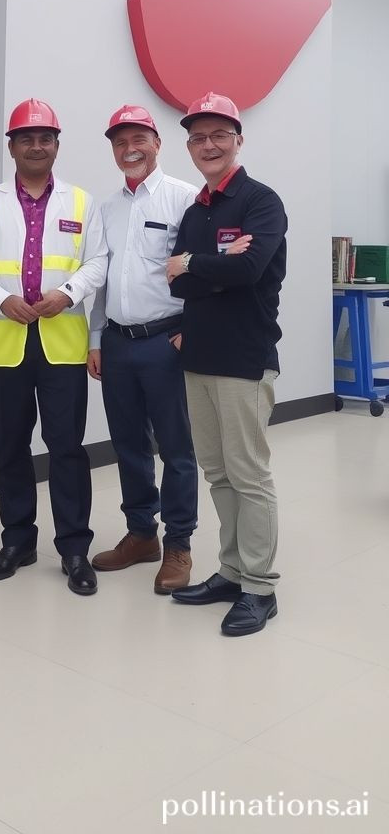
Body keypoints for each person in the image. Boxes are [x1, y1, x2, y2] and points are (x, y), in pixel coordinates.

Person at [0, 99, 107, 596]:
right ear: (12, 147)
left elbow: (98, 261)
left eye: (45, 139)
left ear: (56, 145)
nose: (36, 147)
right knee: (10, 447)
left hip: (62, 346)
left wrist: (69, 293)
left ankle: (74, 549)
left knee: (67, 449)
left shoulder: (81, 203)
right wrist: (0, 299)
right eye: (26, 139)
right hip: (5, 345)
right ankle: (17, 542)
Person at [166, 91, 287, 636]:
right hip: (198, 357)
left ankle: (260, 587)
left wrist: (194, 263)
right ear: (190, 146)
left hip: (244, 358)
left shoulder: (262, 202)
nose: (208, 145)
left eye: (219, 135)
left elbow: (251, 270)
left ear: (238, 139)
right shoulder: (196, 211)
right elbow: (177, 284)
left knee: (249, 475)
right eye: (198, 137)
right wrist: (212, 265)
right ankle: (232, 571)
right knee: (217, 473)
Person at [88, 106, 198, 593]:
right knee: (128, 443)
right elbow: (102, 280)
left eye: (138, 139)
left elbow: (202, 268)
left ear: (157, 143)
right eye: (120, 142)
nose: (129, 149)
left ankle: (179, 543)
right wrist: (96, 339)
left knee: (176, 448)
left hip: (165, 341)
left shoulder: (184, 199)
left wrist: (194, 328)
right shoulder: (106, 209)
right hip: (117, 343)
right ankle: (141, 534)